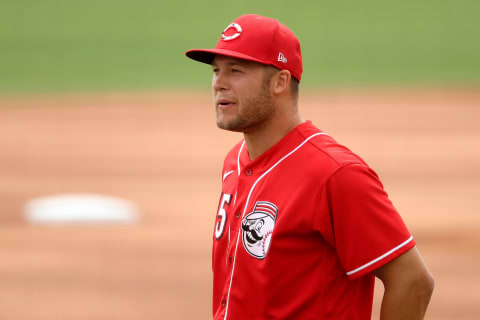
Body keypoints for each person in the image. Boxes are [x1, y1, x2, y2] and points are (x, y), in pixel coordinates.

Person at [185, 14, 434, 320]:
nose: (219, 84)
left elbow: (413, 282)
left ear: (280, 81)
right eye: (215, 71)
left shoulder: (334, 173)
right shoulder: (235, 161)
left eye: (235, 71)